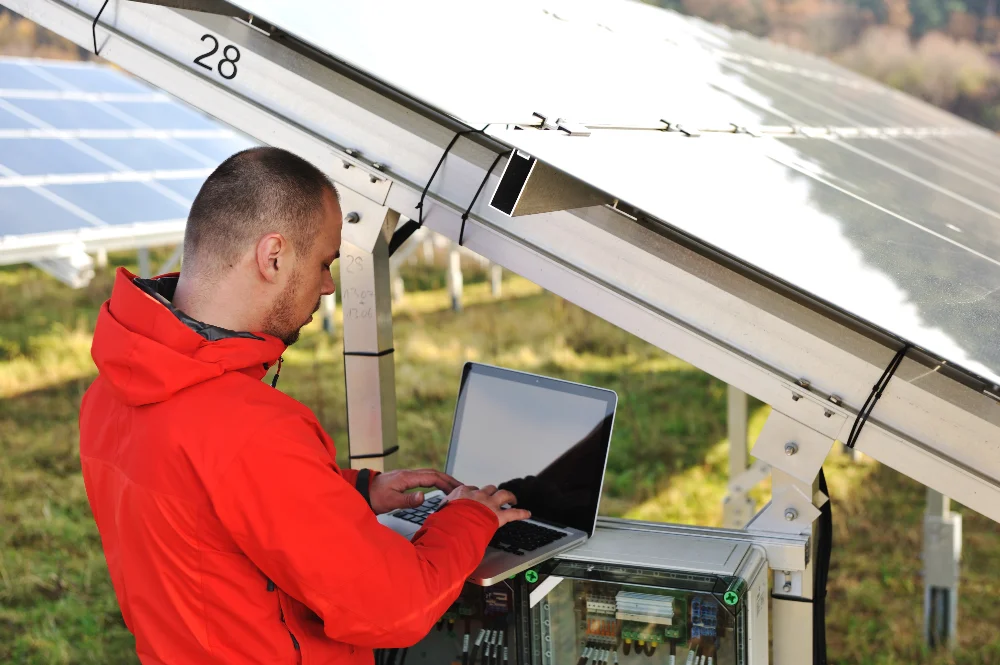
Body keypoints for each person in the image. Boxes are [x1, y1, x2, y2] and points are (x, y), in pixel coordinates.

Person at [79, 147, 531, 664]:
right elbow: (394, 607)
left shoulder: (113, 389)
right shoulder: (249, 429)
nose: (327, 285)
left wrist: (351, 494)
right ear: (273, 256)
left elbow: (207, 515)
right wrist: (468, 518)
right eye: (323, 262)